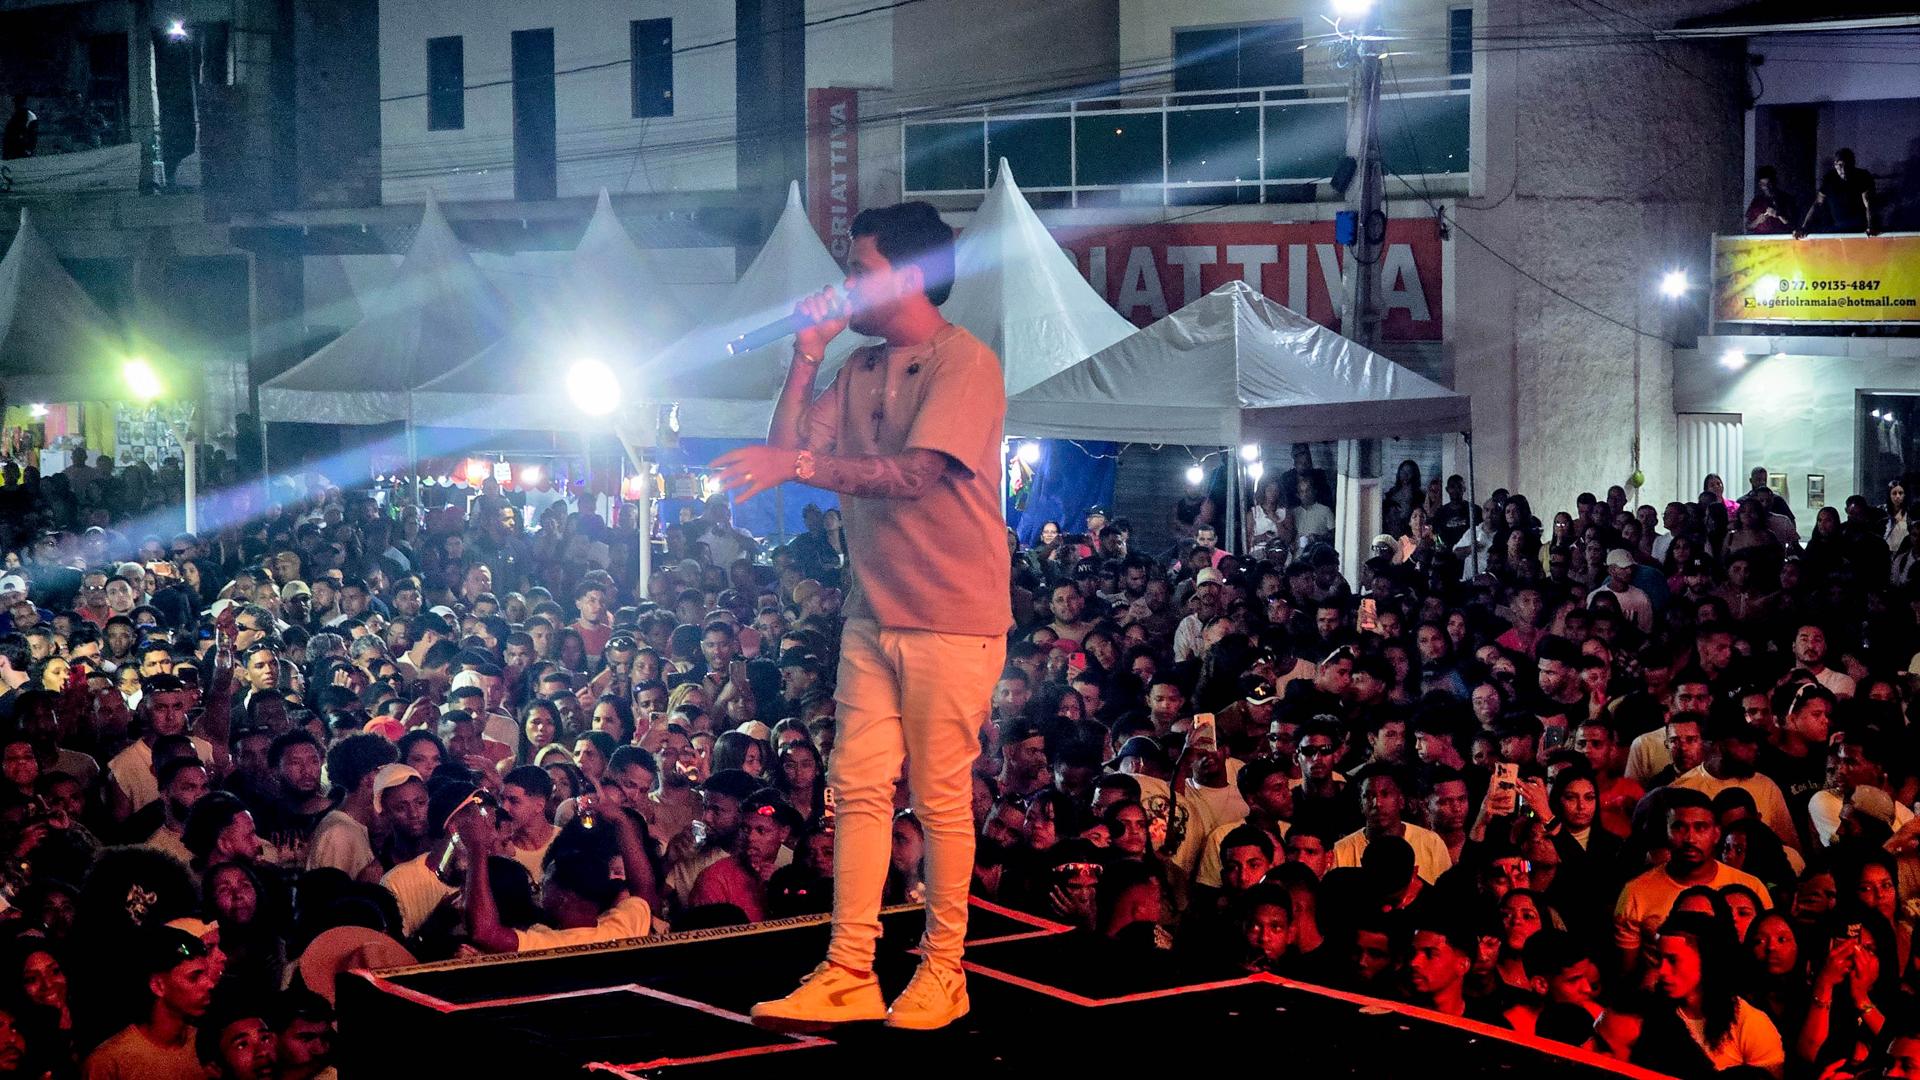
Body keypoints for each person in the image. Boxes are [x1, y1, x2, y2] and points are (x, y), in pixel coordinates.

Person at [723, 202, 1010, 1033]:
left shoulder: (966, 362)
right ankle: (851, 969)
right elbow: (787, 451)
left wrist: (798, 462)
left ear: (908, 276)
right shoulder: (856, 366)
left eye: (860, 268)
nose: (845, 283)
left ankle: (944, 970)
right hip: (872, 610)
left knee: (941, 797)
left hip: (953, 616)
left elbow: (915, 475)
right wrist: (806, 355)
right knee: (855, 789)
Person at [82, 926, 216, 1080]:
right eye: (194, 977)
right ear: (158, 986)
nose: (210, 984)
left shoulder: (207, 1045)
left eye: (206, 974)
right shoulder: (109, 1062)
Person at [1796, 148, 1877, 237]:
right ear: (1835, 165)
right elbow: (1818, 203)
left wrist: (1870, 226)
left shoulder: (1862, 176)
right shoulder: (1829, 178)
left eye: (1847, 165)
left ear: (1853, 164)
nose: (1844, 170)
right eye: (1840, 165)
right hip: (1837, 228)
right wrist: (1804, 226)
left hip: (1859, 227)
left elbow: (1868, 203)